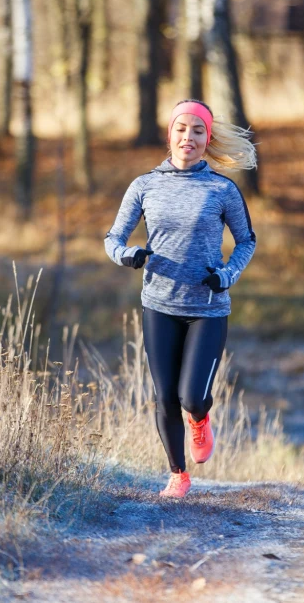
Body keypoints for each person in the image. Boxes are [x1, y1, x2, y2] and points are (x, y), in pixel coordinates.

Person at [104, 99, 258, 498]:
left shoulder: (222, 189)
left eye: (198, 131)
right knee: (165, 397)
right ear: (170, 134)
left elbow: (247, 241)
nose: (188, 137)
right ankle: (178, 475)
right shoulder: (144, 186)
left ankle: (200, 419)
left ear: (207, 138)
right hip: (159, 305)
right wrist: (127, 255)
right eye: (181, 128)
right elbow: (113, 238)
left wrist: (227, 275)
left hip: (207, 309)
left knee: (191, 397)